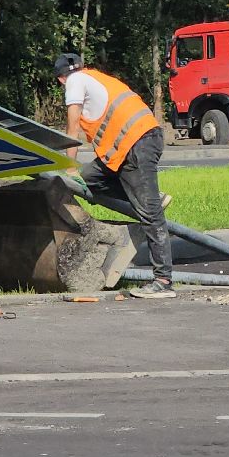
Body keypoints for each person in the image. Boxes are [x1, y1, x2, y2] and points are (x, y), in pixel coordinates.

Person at [56, 52, 175, 298]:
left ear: (60, 80)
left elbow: (73, 124)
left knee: (150, 214)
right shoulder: (95, 77)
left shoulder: (75, 81)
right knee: (90, 180)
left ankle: (163, 280)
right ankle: (152, 197)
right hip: (133, 143)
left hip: (137, 143)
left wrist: (69, 166)